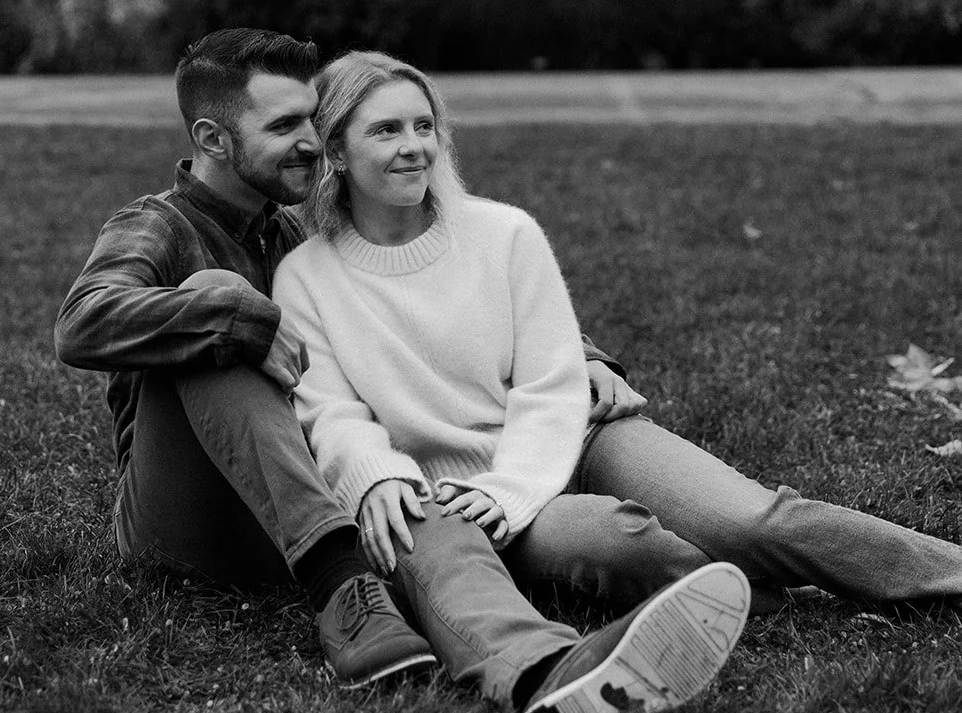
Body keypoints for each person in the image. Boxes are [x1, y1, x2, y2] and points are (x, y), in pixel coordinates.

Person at [55, 27, 749, 713]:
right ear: (213, 136)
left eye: (314, 120)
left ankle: (552, 661)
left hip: (303, 502)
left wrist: (583, 357)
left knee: (415, 497)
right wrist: (237, 313)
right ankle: (340, 583)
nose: (311, 139)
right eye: (286, 124)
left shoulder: (295, 238)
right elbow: (81, 322)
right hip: (193, 520)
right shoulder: (156, 224)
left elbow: (415, 298)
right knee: (215, 297)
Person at [273, 48, 962, 672]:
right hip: (463, 502)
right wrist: (376, 475)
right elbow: (330, 409)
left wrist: (512, 486)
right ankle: (756, 594)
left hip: (576, 440)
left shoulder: (501, 232)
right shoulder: (307, 277)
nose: (414, 147)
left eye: (424, 126)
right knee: (619, 546)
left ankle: (943, 573)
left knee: (750, 522)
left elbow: (551, 379)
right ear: (334, 150)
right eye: (386, 131)